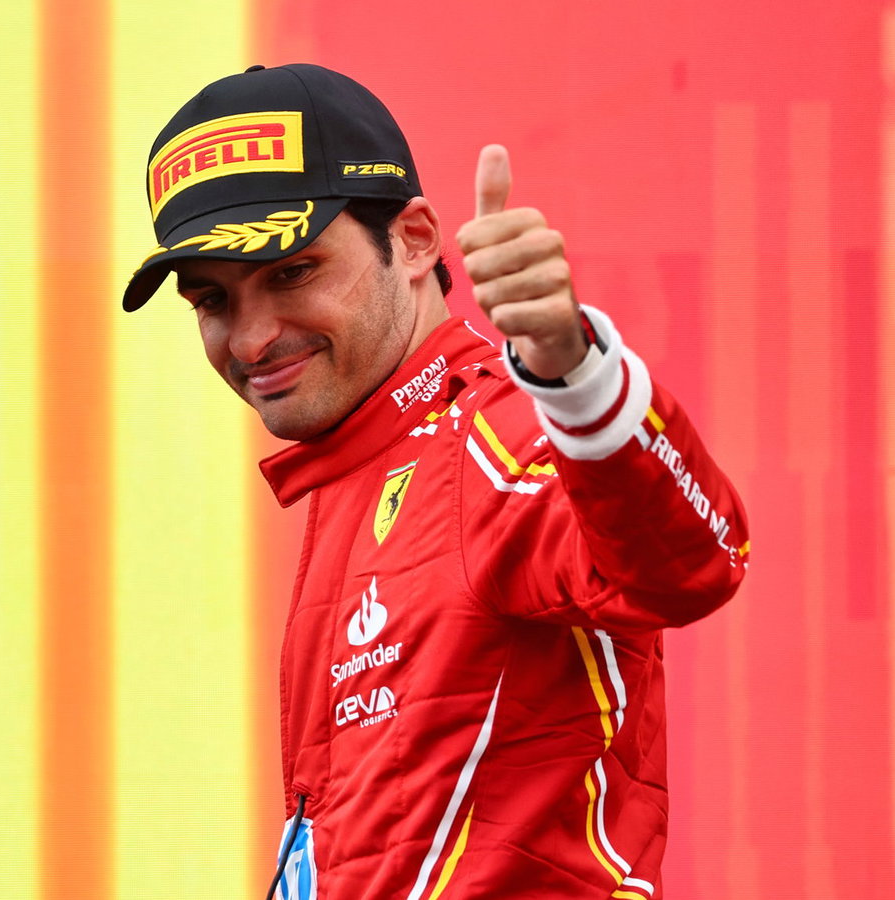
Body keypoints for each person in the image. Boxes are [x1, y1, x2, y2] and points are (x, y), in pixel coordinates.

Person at [122, 63, 749, 900]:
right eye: (212, 300)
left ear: (415, 239)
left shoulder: (492, 431)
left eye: (292, 272)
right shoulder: (357, 463)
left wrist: (575, 372)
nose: (250, 338)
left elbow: (692, 564)